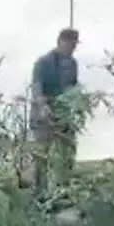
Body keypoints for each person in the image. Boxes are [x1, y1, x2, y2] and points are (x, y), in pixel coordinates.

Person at [29, 28, 80, 188]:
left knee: (68, 150)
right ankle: (40, 192)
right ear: (60, 42)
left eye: (75, 46)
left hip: (64, 115)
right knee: (42, 154)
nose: (73, 49)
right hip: (43, 115)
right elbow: (37, 87)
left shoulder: (73, 64)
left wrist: (77, 102)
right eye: (70, 45)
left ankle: (63, 189)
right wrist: (43, 106)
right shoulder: (43, 62)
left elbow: (73, 88)